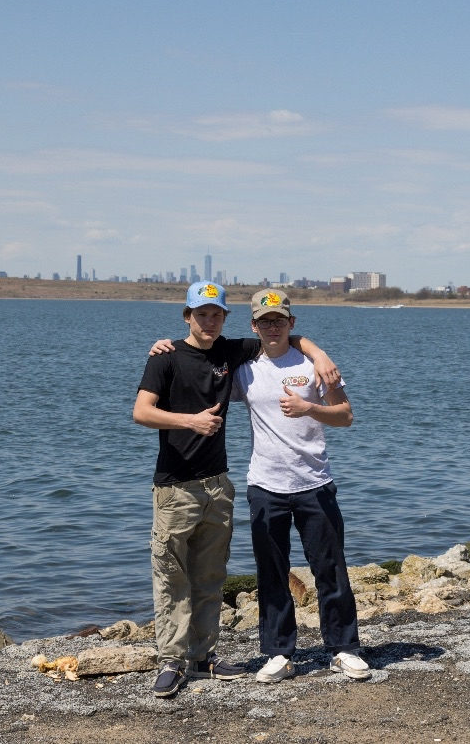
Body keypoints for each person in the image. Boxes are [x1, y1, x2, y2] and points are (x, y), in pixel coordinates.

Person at [133, 281, 339, 699]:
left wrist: (319, 354)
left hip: (218, 485)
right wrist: (190, 421)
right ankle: (171, 660)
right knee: (172, 577)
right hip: (175, 487)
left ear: (225, 318)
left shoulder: (231, 352)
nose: (209, 321)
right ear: (187, 317)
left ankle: (203, 657)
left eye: (216, 314)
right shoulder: (165, 357)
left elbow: (284, 335)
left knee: (210, 575)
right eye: (201, 314)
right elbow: (141, 412)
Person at [233, 289, 370, 683]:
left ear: (291, 322)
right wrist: (164, 349)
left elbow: (345, 416)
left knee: (330, 569)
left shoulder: (314, 365)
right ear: (254, 326)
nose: (272, 327)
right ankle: (279, 654)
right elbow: (198, 362)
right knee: (271, 572)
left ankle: (343, 648)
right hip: (265, 485)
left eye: (279, 320)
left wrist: (310, 407)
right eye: (265, 321)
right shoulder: (244, 368)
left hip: (315, 483)